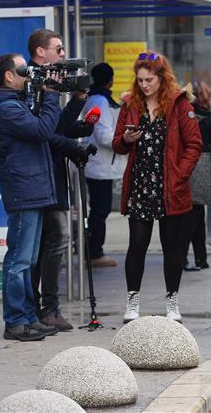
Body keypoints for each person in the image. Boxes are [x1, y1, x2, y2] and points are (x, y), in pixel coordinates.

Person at [112, 51, 202, 323]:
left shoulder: (179, 103)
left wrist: (179, 176)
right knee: (137, 244)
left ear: (162, 78)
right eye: (140, 80)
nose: (144, 85)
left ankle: (172, 302)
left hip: (170, 187)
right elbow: (117, 143)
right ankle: (132, 301)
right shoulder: (130, 103)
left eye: (149, 79)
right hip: (141, 183)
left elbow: (194, 144)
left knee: (172, 246)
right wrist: (127, 138)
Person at [0, 53, 61, 341]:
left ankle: (28, 316)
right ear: (8, 75)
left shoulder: (16, 103)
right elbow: (43, 129)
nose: (29, 75)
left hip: (32, 190)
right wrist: (51, 97)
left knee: (27, 260)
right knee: (18, 260)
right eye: (23, 71)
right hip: (23, 191)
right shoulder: (6, 109)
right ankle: (15, 321)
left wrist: (45, 96)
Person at [27, 29, 91, 333]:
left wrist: (78, 99)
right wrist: (72, 148)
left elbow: (61, 126)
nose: (64, 54)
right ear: (41, 52)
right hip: (39, 176)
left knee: (50, 243)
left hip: (51, 175)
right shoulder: (31, 85)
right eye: (58, 48)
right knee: (53, 241)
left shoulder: (49, 83)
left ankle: (46, 307)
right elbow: (46, 133)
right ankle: (45, 308)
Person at [82, 63, 127, 267]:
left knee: (100, 210)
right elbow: (104, 135)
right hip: (100, 165)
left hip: (100, 165)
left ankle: (93, 251)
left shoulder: (97, 98)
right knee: (100, 211)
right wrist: (125, 139)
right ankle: (94, 253)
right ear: (111, 80)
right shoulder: (100, 101)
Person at [183, 81, 211, 271]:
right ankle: (187, 257)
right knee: (195, 215)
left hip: (184, 167)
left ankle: (200, 257)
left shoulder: (183, 117)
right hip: (204, 168)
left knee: (194, 213)